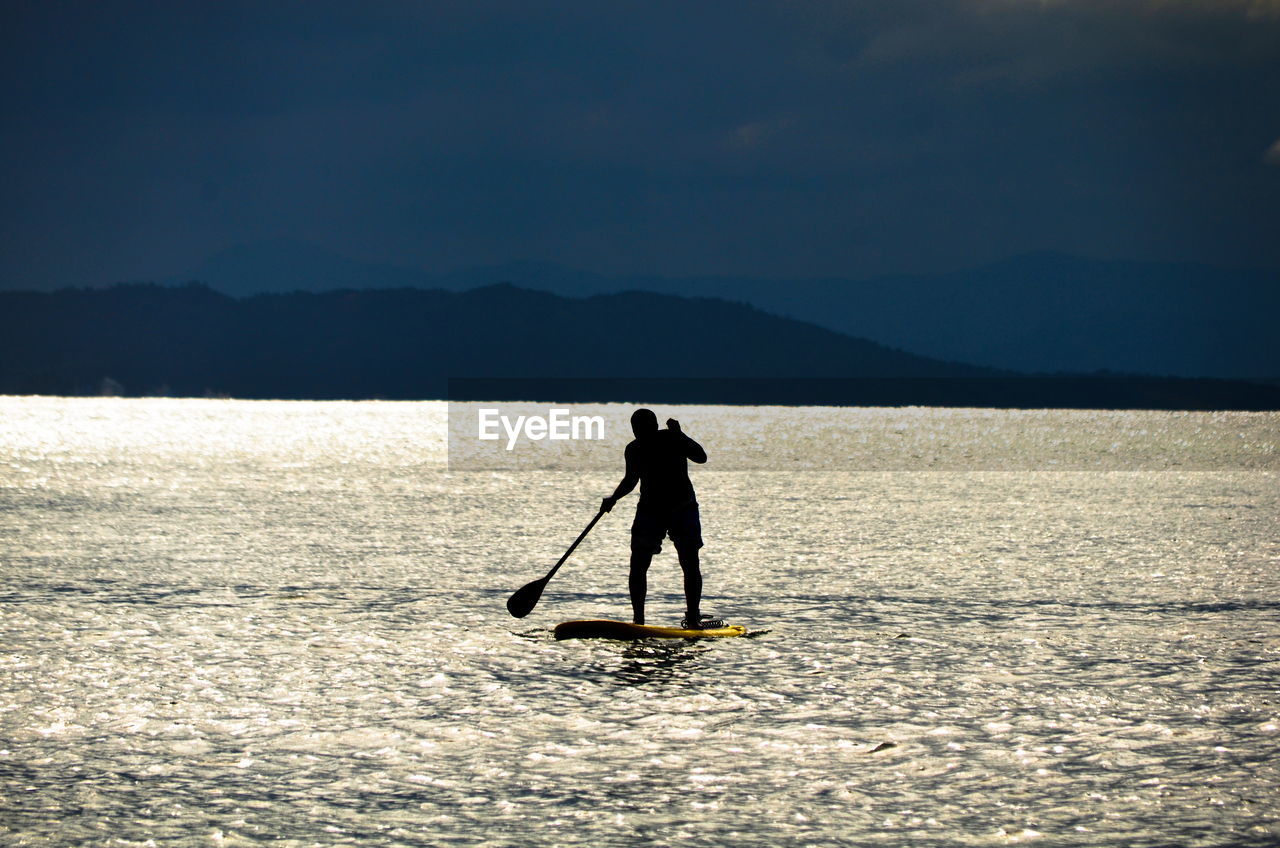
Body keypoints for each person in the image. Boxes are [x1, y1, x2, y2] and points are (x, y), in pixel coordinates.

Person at [601, 408, 721, 629]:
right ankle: (638, 620)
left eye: (642, 428)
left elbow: (701, 458)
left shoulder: (673, 439)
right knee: (638, 562)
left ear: (654, 427)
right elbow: (631, 480)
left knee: (689, 561)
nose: (639, 433)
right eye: (636, 429)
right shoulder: (634, 448)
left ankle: (693, 617)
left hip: (682, 508)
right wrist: (613, 498)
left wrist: (681, 435)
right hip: (650, 510)